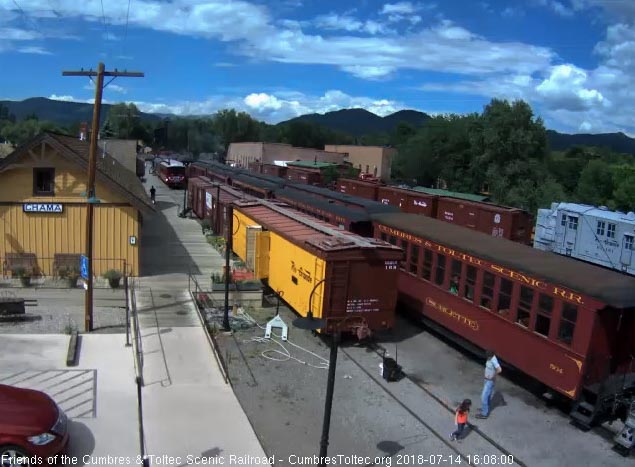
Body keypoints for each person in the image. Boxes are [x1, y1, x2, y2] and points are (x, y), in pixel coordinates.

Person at [476, 350, 502, 419]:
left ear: (491, 356)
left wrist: (493, 376)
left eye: (488, 357)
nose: (487, 358)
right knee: (488, 395)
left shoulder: (494, 360)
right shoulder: (490, 358)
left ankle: (484, 414)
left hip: (489, 381)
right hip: (487, 379)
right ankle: (485, 409)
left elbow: (499, 370)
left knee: (483, 396)